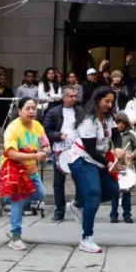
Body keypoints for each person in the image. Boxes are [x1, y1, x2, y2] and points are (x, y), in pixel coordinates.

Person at [68, 86, 124, 254]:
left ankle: (77, 204)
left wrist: (119, 148)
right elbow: (91, 150)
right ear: (97, 100)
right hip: (82, 159)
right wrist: (108, 164)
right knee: (93, 193)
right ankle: (86, 238)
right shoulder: (88, 121)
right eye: (106, 101)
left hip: (99, 160)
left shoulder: (108, 117)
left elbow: (117, 135)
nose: (109, 105)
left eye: (111, 102)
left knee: (113, 189)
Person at [2, 97, 49, 251]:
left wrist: (46, 149)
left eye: (33, 108)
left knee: (40, 194)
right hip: (15, 170)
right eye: (27, 108)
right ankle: (15, 236)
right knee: (19, 197)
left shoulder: (37, 125)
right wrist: (35, 156)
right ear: (19, 111)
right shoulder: (13, 128)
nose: (31, 111)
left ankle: (6, 198)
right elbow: (12, 154)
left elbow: (45, 142)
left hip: (31, 170)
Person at [42, 86, 83, 223]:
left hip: (77, 151)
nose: (74, 99)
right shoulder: (53, 112)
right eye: (71, 96)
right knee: (58, 183)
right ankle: (59, 211)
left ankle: (77, 207)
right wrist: (59, 135)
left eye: (75, 96)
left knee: (79, 181)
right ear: (64, 97)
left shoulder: (80, 111)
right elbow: (46, 131)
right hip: (59, 150)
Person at [110, 112, 136, 223]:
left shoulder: (130, 135)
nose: (120, 125)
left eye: (123, 123)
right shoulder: (111, 135)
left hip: (127, 166)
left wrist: (132, 155)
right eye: (118, 123)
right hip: (116, 166)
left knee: (127, 191)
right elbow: (107, 148)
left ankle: (127, 214)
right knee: (114, 192)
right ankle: (113, 214)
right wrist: (111, 153)